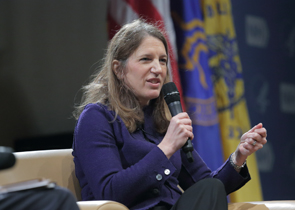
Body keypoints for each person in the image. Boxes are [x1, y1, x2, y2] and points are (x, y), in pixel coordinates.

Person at [72, 19, 267, 210]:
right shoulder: (97, 118)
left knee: (211, 188)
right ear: (118, 69)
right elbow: (109, 193)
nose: (158, 69)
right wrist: (166, 147)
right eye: (146, 59)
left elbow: (208, 188)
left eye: (162, 60)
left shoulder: (163, 122)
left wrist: (239, 156)